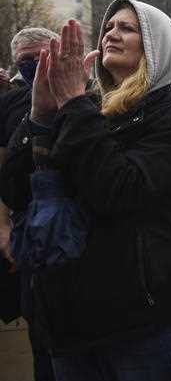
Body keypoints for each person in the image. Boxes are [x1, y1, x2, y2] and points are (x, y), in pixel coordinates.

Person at [0, 0, 171, 380]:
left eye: (127, 28)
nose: (112, 32)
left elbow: (121, 192)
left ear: (154, 44)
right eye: (109, 26)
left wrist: (74, 104)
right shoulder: (82, 105)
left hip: (143, 325)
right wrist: (41, 116)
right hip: (68, 320)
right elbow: (15, 189)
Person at [0, 27, 58, 381]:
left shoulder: (90, 95)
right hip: (27, 230)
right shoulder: (8, 104)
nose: (35, 65)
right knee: (42, 331)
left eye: (42, 56)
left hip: (83, 233)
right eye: (26, 60)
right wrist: (3, 226)